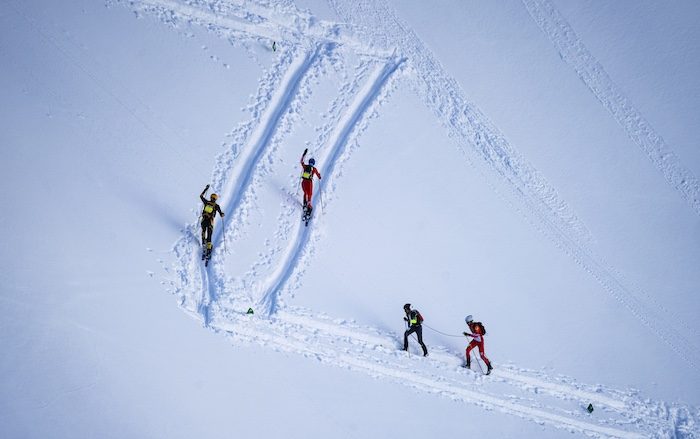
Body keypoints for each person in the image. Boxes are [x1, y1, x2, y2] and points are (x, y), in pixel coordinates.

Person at [199, 184, 224, 257]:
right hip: (210, 221)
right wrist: (222, 214)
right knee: (209, 235)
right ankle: (209, 249)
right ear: (215, 199)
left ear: (210, 197)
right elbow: (220, 213)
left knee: (203, 232)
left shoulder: (206, 202)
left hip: (204, 220)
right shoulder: (216, 206)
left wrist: (206, 189)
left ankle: (204, 244)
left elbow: (201, 196)